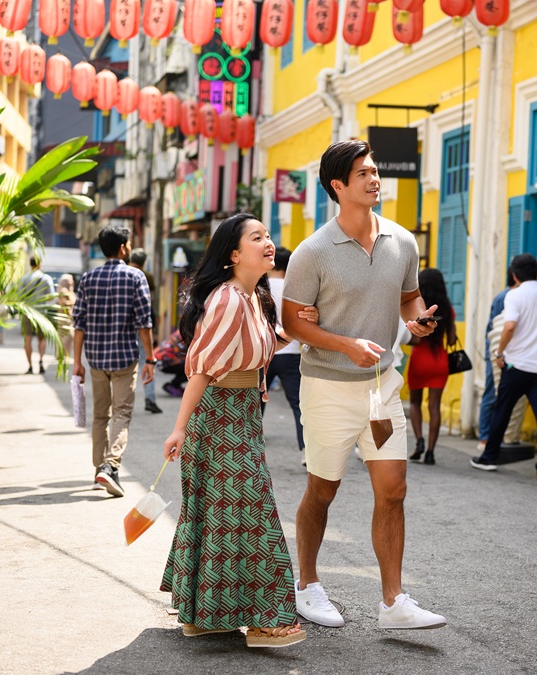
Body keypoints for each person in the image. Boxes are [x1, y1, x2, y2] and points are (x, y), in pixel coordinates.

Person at [282, 139, 448, 631]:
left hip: (381, 390)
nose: (375, 180)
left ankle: (393, 602)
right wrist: (345, 344)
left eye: (375, 171)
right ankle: (307, 585)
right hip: (328, 388)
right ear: (338, 186)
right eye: (363, 174)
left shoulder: (403, 241)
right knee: (323, 489)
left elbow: (409, 299)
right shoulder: (312, 252)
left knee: (393, 489)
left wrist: (418, 322)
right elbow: (293, 324)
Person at [160, 213, 306, 648]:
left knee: (224, 517)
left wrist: (292, 330)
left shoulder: (252, 298)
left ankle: (206, 616)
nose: (269, 243)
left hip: (240, 416)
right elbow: (202, 370)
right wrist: (178, 429)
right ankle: (264, 621)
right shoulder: (227, 299)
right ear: (233, 255)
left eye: (268, 235)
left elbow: (252, 349)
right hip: (219, 417)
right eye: (256, 237)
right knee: (253, 515)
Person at [72, 225, 154, 497]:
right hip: (123, 359)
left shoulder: (88, 278)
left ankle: (99, 470)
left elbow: (79, 323)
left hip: (95, 358)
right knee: (121, 413)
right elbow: (144, 322)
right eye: (129, 243)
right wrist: (150, 358)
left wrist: (77, 361)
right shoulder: (135, 276)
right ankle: (110, 466)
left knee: (99, 416)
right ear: (122, 247)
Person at [471, 253, 537, 483]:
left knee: (501, 411)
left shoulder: (514, 295)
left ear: (514, 275)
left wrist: (499, 352)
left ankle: (490, 457)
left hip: (516, 365)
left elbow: (509, 326)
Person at [406, 268, 456, 466]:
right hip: (439, 362)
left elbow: (416, 340)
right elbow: (451, 341)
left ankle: (419, 441)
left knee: (416, 403)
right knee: (435, 406)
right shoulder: (448, 309)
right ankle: (431, 452)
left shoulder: (419, 309)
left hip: (420, 360)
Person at [263, 246, 306, 461]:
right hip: (291, 352)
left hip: (265, 353)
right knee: (299, 405)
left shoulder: (260, 288)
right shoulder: (294, 289)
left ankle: (252, 448)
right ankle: (305, 450)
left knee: (255, 401)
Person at [478, 268, 527, 452]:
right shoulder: (505, 297)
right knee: (491, 392)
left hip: (508, 352)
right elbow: (498, 328)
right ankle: (484, 436)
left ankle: (493, 436)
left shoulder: (515, 296)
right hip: (497, 351)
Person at [129, 248, 162, 414]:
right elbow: (151, 300)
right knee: (147, 361)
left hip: (125, 326)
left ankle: (120, 400)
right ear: (143, 262)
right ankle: (150, 398)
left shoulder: (124, 273)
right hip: (143, 324)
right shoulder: (146, 276)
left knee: (125, 365)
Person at [19, 256, 55, 374]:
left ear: (30, 264)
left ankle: (30, 366)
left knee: (28, 339)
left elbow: (19, 297)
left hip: (27, 311)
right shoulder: (46, 278)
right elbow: (50, 296)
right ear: (40, 264)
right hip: (41, 312)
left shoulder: (24, 278)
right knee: (41, 339)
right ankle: (41, 361)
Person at [154, 329, 188, 397]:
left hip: (158, 360)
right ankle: (173, 385)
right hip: (164, 361)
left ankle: (175, 385)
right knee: (192, 367)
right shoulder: (190, 335)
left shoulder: (182, 330)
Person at [56, 274, 77, 359]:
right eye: (70, 280)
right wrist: (72, 303)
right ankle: (62, 354)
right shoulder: (63, 290)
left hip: (67, 317)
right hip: (64, 317)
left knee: (64, 337)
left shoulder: (69, 290)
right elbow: (63, 302)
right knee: (67, 336)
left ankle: (64, 354)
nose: (72, 282)